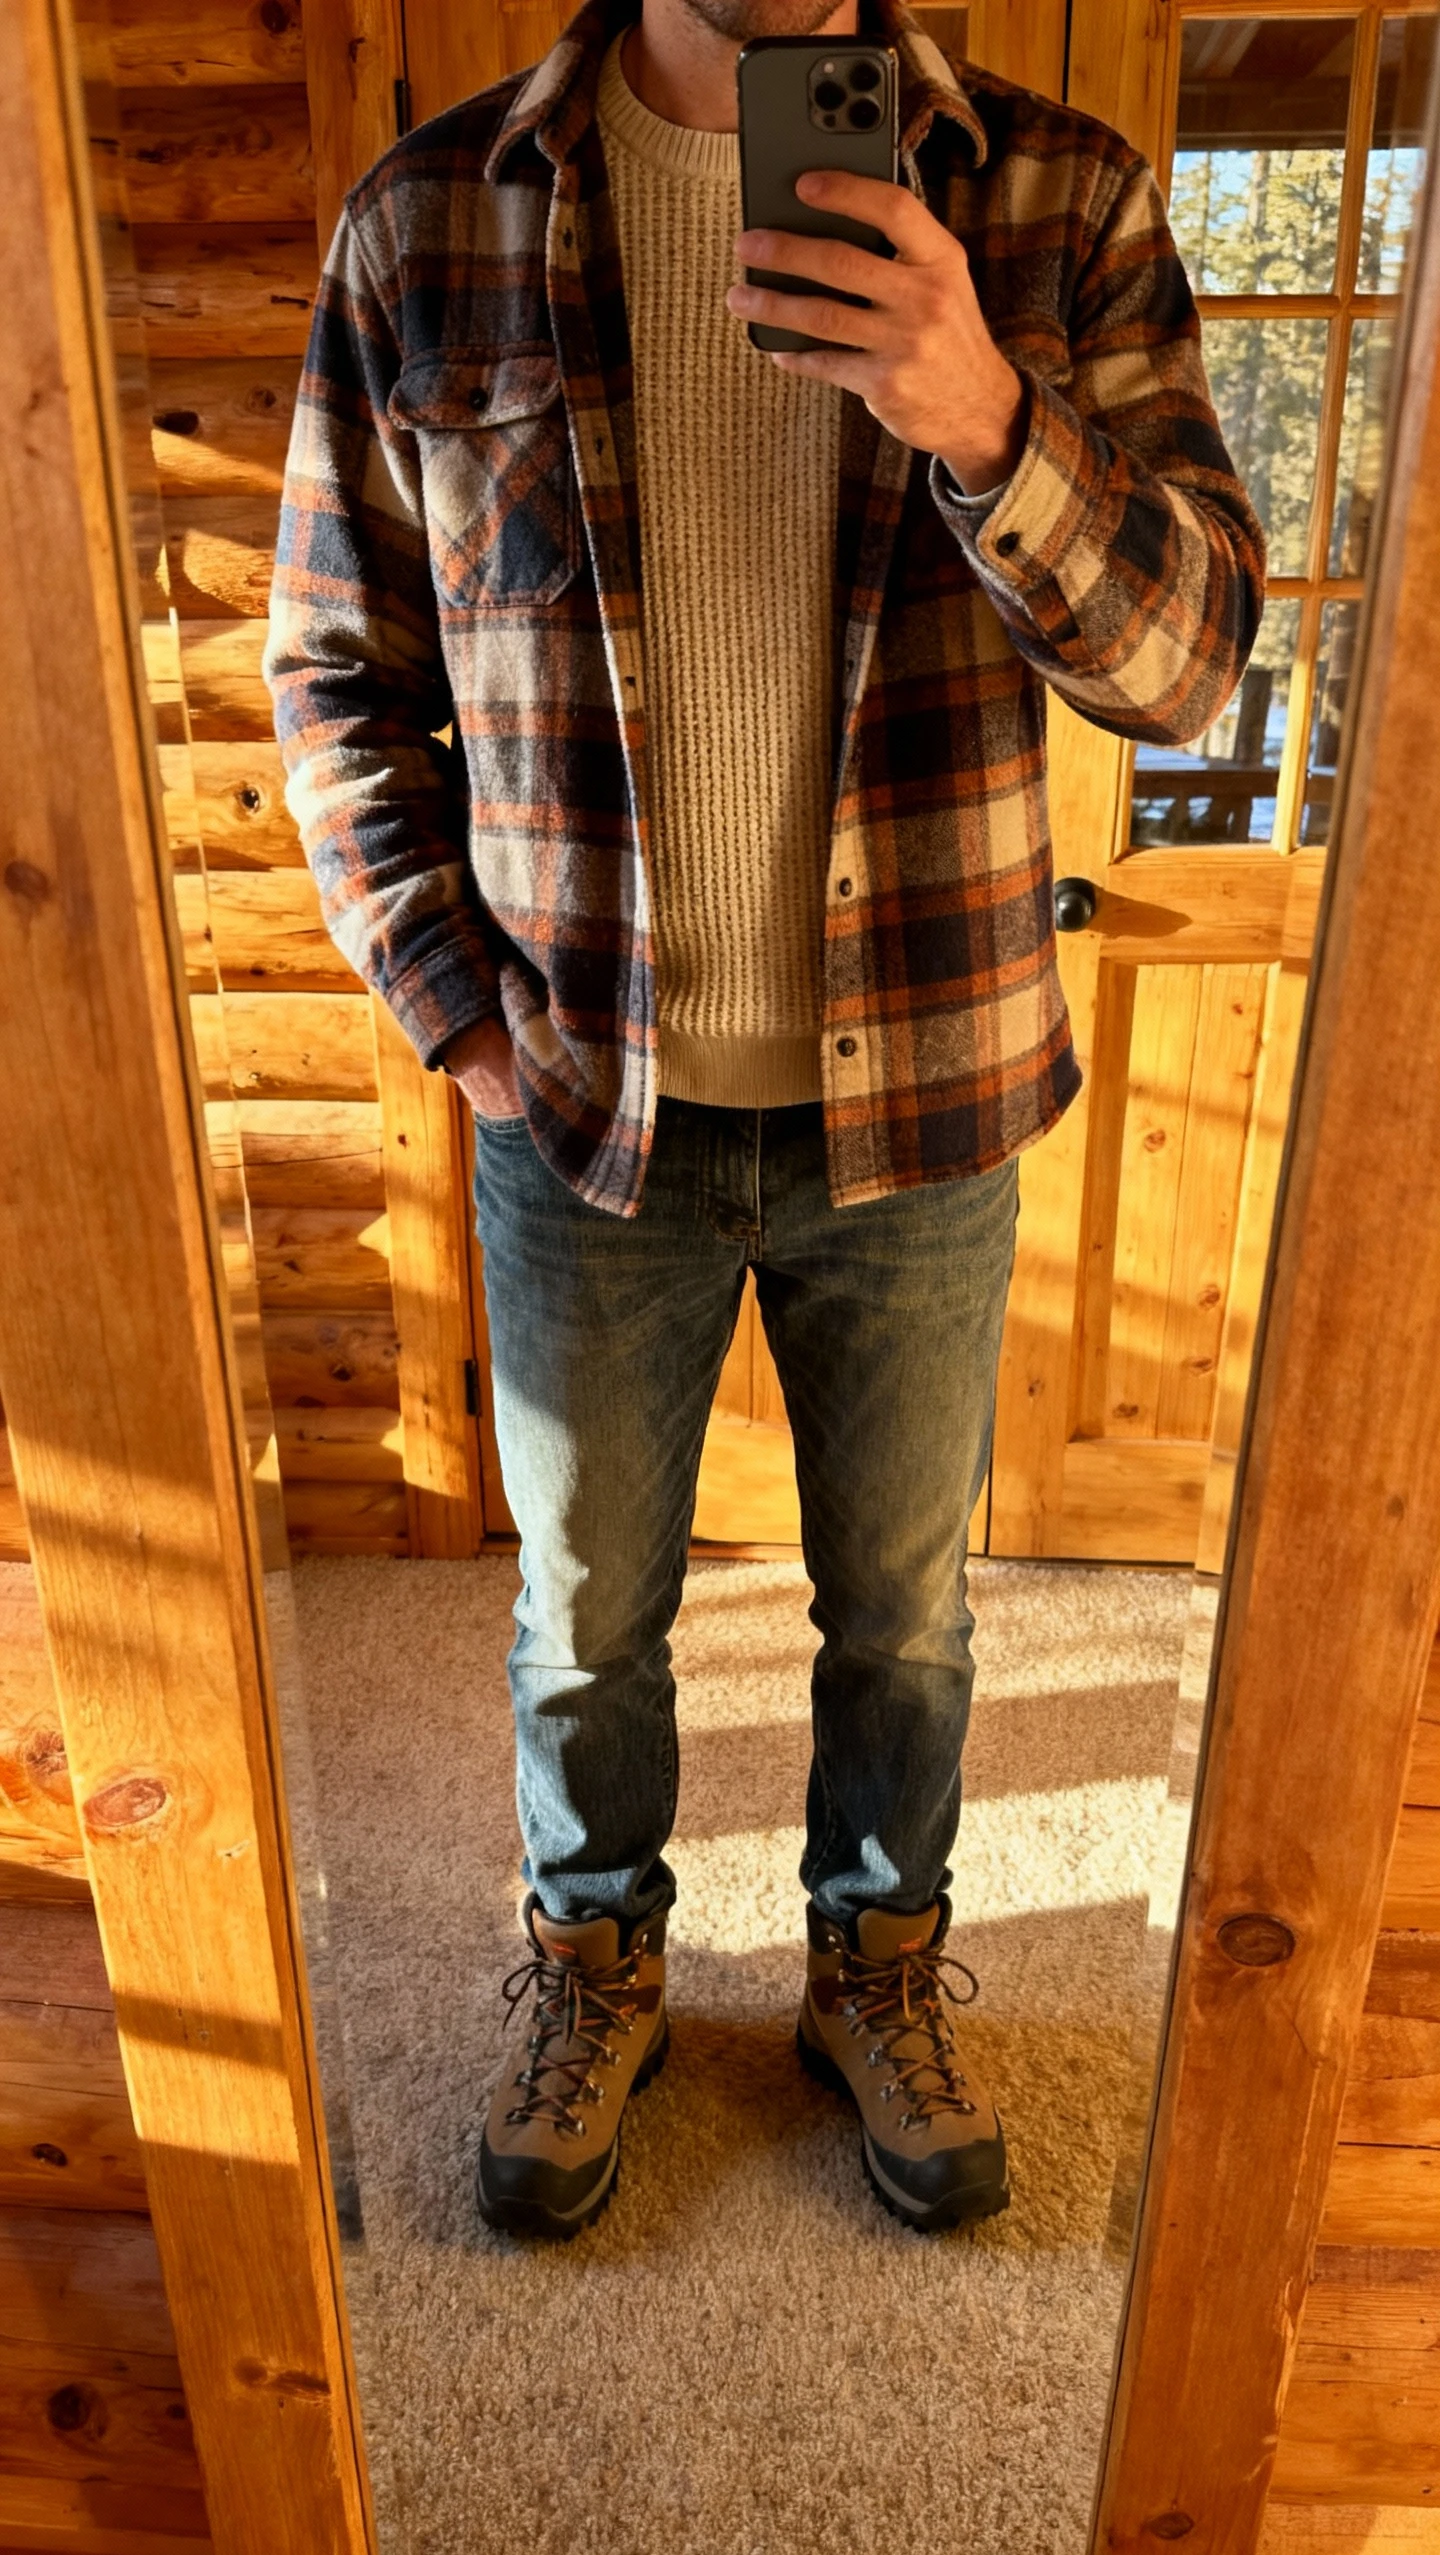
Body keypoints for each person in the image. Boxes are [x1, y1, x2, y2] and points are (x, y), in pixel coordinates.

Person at [265, 0, 1263, 2242]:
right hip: (579, 1101)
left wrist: (988, 418)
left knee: (904, 1616)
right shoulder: (427, 223)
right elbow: (332, 674)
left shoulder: (1056, 202)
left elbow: (1198, 665)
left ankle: (873, 1969)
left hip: (923, 1100)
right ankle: (595, 1956)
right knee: (581, 1617)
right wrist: (459, 1011)